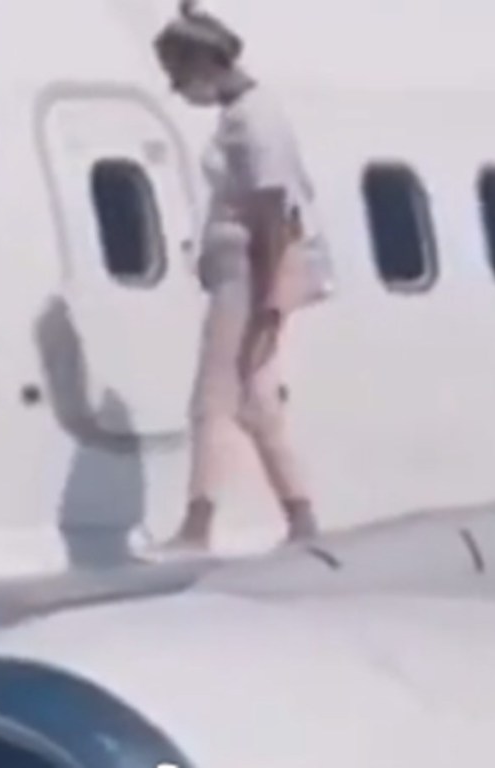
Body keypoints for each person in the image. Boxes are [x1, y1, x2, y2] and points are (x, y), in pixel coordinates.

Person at [150, 1, 334, 554]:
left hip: (251, 271)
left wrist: (271, 297)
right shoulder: (240, 115)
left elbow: (274, 212)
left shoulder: (256, 120)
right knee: (256, 398)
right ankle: (301, 516)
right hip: (243, 267)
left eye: (180, 75)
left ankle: (197, 525)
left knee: (214, 397)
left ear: (206, 65)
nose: (179, 90)